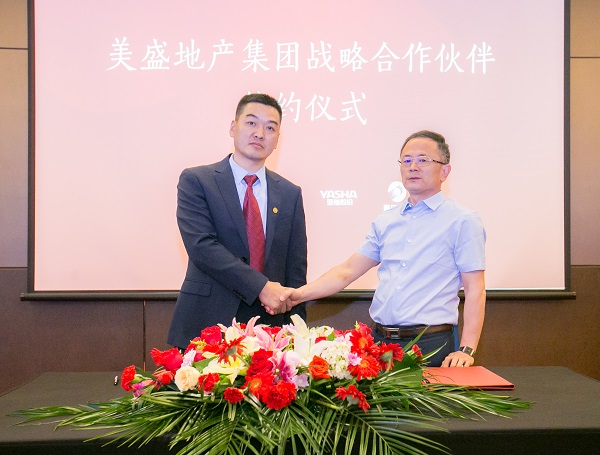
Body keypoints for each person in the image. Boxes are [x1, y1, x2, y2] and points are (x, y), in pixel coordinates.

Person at [280, 130, 486, 367]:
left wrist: (466, 349)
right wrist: (299, 295)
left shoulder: (462, 221)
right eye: (407, 160)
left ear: (445, 171)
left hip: (431, 344)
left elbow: (475, 289)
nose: (413, 167)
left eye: (423, 160)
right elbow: (347, 271)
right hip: (381, 342)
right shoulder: (386, 221)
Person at [167, 93, 308, 349]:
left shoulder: (290, 193)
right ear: (233, 127)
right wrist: (262, 287)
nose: (260, 133)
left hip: (270, 330)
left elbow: (295, 268)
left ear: (278, 139)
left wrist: (299, 336)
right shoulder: (197, 180)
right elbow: (201, 247)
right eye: (251, 123)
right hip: (206, 323)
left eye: (270, 128)